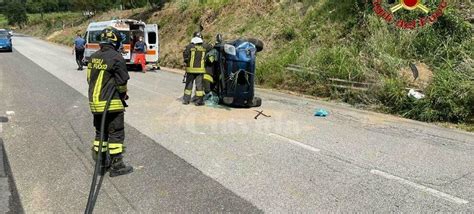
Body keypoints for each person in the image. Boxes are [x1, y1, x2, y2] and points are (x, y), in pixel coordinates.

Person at [87, 26, 133, 177]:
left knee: (101, 133)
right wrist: (123, 94)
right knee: (115, 133)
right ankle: (117, 165)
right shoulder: (116, 57)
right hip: (111, 104)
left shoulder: (93, 57)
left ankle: (101, 164)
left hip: (95, 103)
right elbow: (122, 82)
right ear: (116, 41)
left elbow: (89, 79)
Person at [183, 32, 210, 106]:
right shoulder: (205, 46)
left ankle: (186, 100)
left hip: (190, 70)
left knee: (188, 86)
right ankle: (199, 102)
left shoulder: (189, 46)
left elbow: (185, 56)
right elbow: (211, 49)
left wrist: (186, 61)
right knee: (199, 87)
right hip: (200, 70)